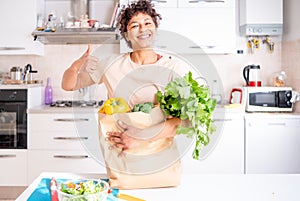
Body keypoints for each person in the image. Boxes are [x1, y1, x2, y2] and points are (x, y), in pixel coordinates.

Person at [62, 0, 194, 153]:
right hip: (120, 151)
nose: (142, 29)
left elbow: (186, 120)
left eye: (147, 23)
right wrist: (76, 65)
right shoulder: (111, 64)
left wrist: (140, 137)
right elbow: (68, 84)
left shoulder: (174, 67)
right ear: (126, 35)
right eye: (134, 25)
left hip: (160, 153)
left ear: (155, 29)